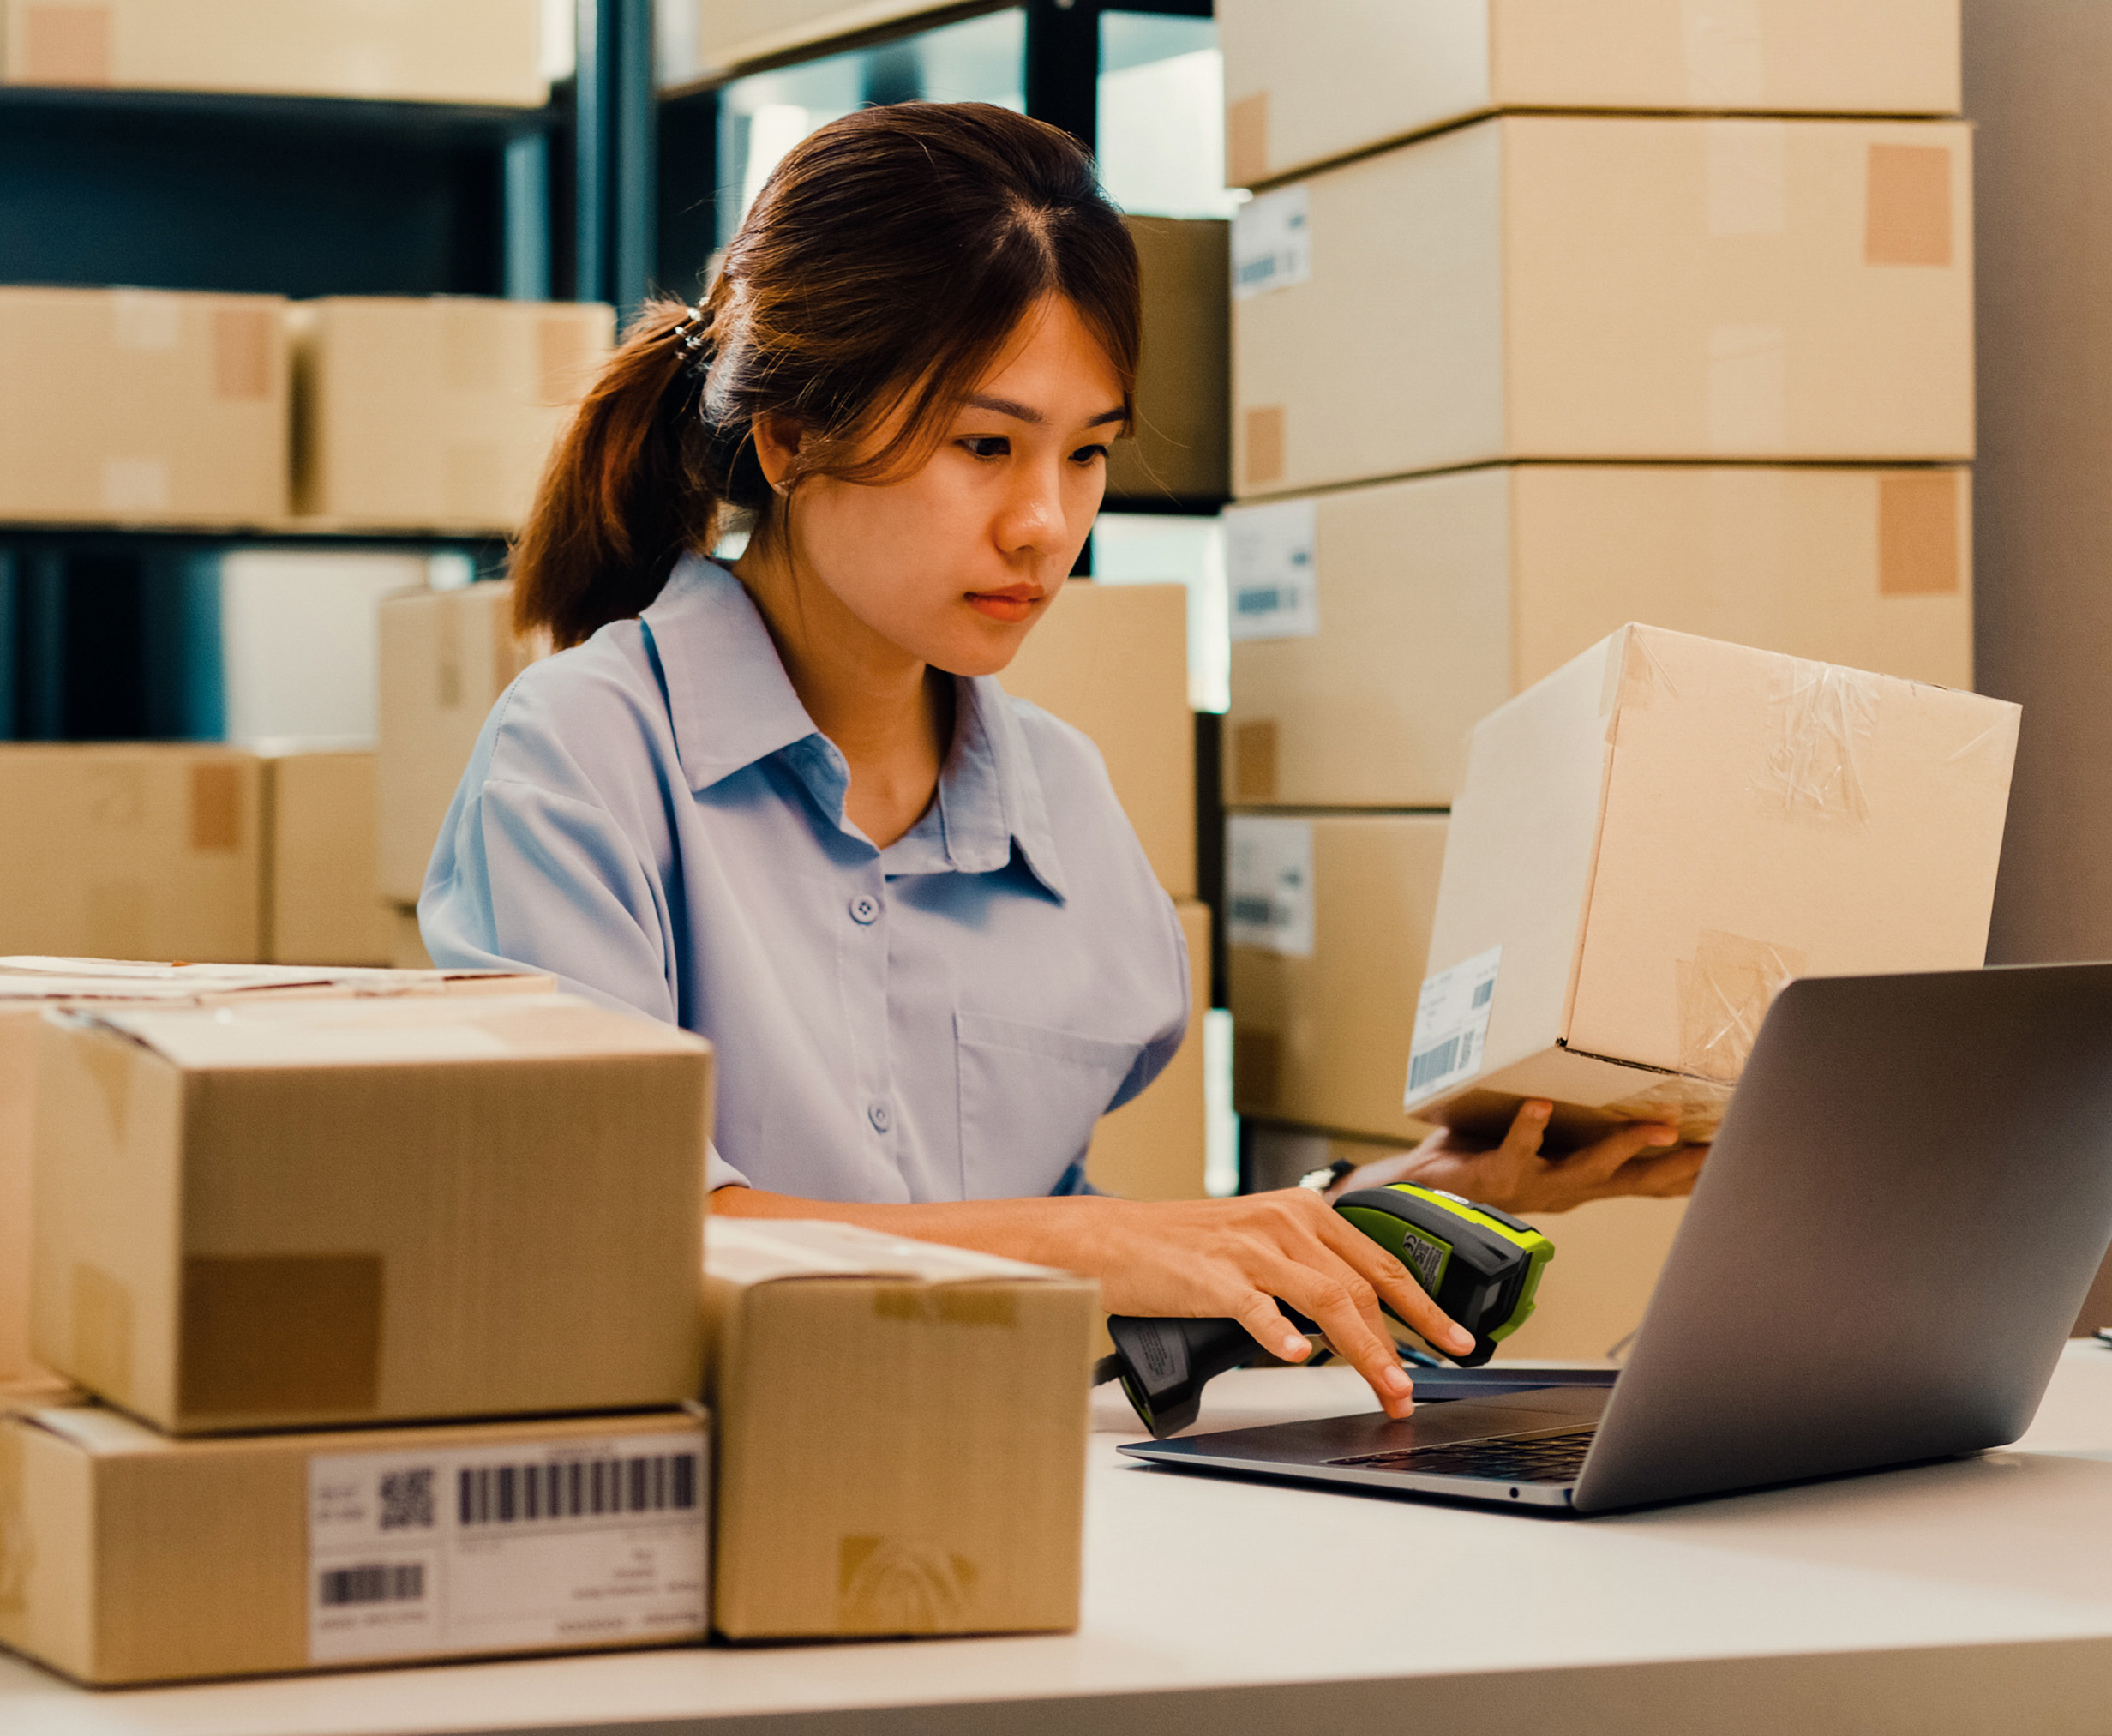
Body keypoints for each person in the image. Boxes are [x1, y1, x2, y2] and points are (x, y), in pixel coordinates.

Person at [417, 102, 1703, 1419]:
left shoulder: (1065, 801)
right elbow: (612, 1240)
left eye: (1086, 452)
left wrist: (1435, 1192)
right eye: (986, 445)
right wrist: (1093, 1244)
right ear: (792, 438)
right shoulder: (581, 762)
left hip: (1019, 1487)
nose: (1046, 523)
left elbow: (1088, 1280)